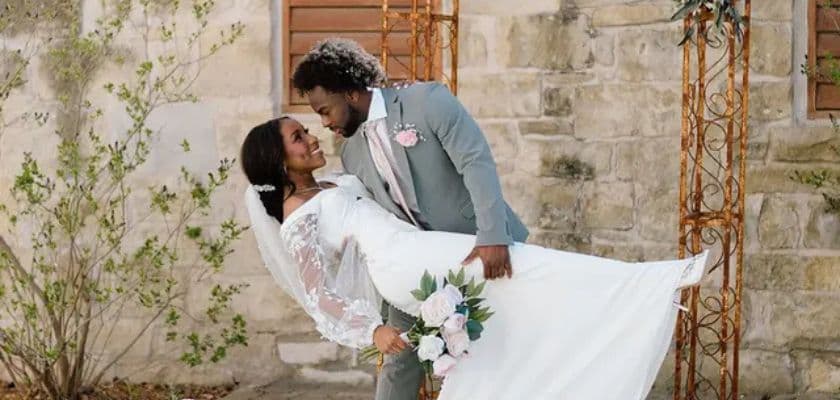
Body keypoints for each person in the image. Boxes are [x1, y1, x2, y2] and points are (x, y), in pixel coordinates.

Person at [240, 116, 709, 399]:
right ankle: (655, 282)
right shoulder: (298, 217)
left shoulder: (332, 183)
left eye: (306, 130)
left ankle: (647, 288)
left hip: (417, 249)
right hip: (404, 265)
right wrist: (375, 329)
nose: (313, 137)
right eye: (299, 138)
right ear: (281, 162)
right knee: (524, 266)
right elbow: (318, 294)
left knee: (515, 299)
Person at [290, 38, 529, 399]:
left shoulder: (427, 102)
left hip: (480, 250)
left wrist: (492, 235)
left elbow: (475, 163)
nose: (324, 124)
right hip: (418, 273)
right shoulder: (352, 152)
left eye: (325, 111)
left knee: (501, 355)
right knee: (399, 366)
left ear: (351, 93)